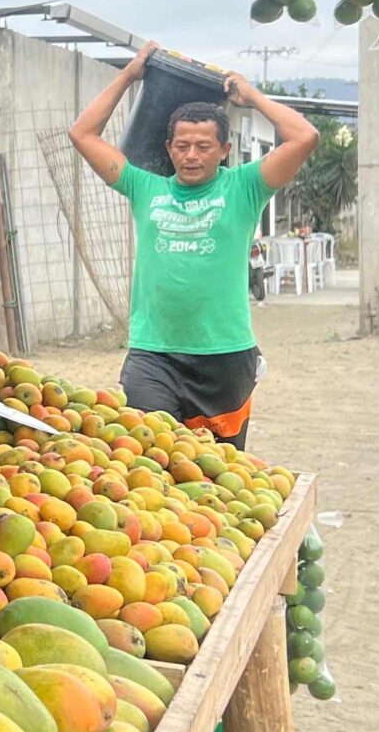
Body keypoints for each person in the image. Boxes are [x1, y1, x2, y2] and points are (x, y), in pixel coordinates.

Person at [70, 45, 319, 446]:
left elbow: (304, 136)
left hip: (224, 357)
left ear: (223, 151)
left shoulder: (245, 187)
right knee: (149, 458)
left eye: (203, 146)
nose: (191, 155)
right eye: (182, 145)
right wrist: (129, 75)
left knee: (219, 475)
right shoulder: (143, 187)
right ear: (168, 149)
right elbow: (82, 134)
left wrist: (251, 95)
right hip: (153, 355)